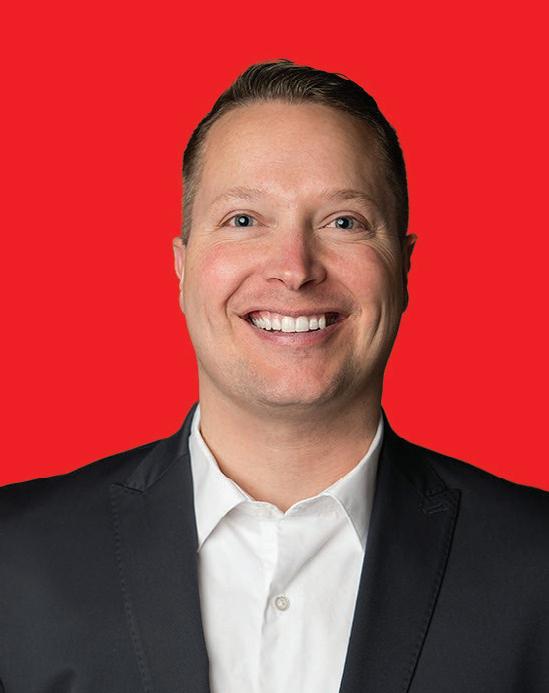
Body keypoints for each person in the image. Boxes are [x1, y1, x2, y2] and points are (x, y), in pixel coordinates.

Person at [0, 59, 548, 693]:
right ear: (182, 266)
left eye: (344, 222)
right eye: (244, 220)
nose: (294, 268)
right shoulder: (15, 555)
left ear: (403, 269)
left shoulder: (536, 565)